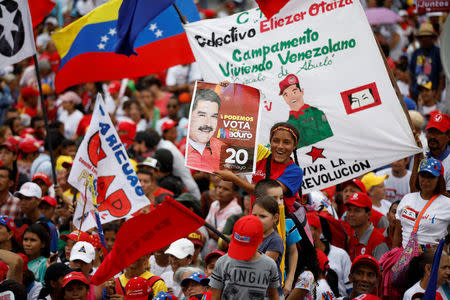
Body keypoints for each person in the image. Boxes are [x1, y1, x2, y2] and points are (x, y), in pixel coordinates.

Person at [215, 122, 303, 213]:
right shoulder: (261, 157)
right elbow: (235, 138)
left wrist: (234, 179)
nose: (280, 146)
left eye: (286, 142)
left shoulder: (295, 172)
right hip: (255, 222)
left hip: (278, 226)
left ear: (295, 145)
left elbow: (267, 192)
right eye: (276, 141)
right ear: (270, 141)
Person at [209, 215, 280, 300]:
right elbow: (215, 296)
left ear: (261, 240)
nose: (242, 254)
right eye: (239, 247)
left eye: (246, 249)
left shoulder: (269, 265)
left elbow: (273, 295)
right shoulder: (223, 262)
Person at [395, 158, 450, 250]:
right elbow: (398, 232)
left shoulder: (447, 204)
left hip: (430, 258)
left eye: (431, 177)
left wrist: (445, 248)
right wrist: (394, 255)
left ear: (439, 179)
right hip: (404, 258)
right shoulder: (407, 198)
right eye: (422, 175)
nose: (425, 180)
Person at [278, 74, 333, 148]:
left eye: (294, 92)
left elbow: (329, 139)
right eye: (286, 95)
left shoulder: (317, 113)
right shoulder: (288, 125)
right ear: (284, 98)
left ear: (302, 92)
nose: (291, 97)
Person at [307, 212, 352, 297]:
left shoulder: (341, 254)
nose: (304, 234)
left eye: (307, 230)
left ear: (318, 231)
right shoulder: (299, 257)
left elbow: (351, 288)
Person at [186, 88, 225, 173]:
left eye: (214, 116)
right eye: (202, 115)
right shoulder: (180, 148)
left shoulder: (223, 148)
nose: (208, 123)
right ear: (190, 115)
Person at [252, 196, 284, 297]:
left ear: (275, 218)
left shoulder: (275, 240)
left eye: (262, 216)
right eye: (254, 215)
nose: (257, 220)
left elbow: (262, 266)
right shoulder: (251, 236)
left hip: (270, 295)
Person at [345, 192, 389, 261]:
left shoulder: (378, 242)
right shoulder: (351, 237)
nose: (351, 214)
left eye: (357, 210)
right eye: (349, 210)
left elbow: (380, 271)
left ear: (368, 214)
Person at [409, 23, 444, 101]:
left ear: (432, 38)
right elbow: (410, 74)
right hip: (416, 95)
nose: (424, 39)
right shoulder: (416, 53)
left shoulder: (438, 52)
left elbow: (442, 77)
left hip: (432, 96)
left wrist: (438, 95)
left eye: (426, 36)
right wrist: (411, 90)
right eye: (421, 37)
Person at [205, 179, 242, 252]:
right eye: (219, 187)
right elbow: (206, 225)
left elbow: (219, 236)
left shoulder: (235, 209)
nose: (220, 191)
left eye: (225, 189)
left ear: (234, 193)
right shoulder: (214, 204)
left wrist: (206, 227)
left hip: (222, 253)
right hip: (209, 249)